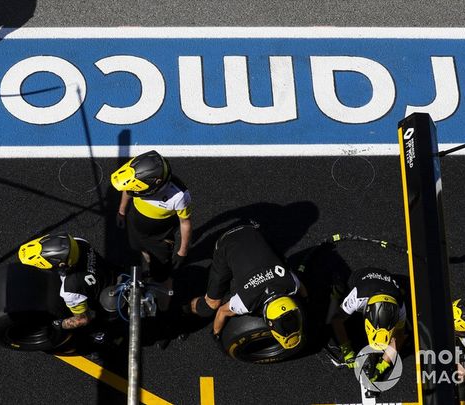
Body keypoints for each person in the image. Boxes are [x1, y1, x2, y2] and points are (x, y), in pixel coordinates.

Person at [189, 222, 307, 351]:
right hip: (227, 242)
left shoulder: (290, 282)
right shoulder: (245, 302)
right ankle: (186, 307)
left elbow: (302, 289)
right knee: (211, 305)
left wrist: (306, 300)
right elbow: (222, 312)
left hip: (252, 231)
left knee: (282, 262)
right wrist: (216, 334)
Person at [111, 151, 192, 285]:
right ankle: (150, 262)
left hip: (160, 238)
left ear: (156, 184)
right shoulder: (138, 181)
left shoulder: (179, 195)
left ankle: (160, 286)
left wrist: (182, 251)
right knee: (141, 249)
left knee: (161, 275)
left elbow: (185, 223)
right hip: (136, 227)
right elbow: (128, 190)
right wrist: (122, 211)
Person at [330, 266, 408, 381]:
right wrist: (346, 350)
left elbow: (399, 335)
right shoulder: (357, 297)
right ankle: (338, 290)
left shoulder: (400, 307)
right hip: (360, 278)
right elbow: (336, 320)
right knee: (341, 292)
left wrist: (383, 365)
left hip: (384, 283)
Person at [18, 233, 104, 331]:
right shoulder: (79, 242)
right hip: (107, 272)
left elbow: (83, 320)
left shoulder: (69, 290)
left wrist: (60, 324)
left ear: (61, 265)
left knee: (94, 326)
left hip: (104, 300)